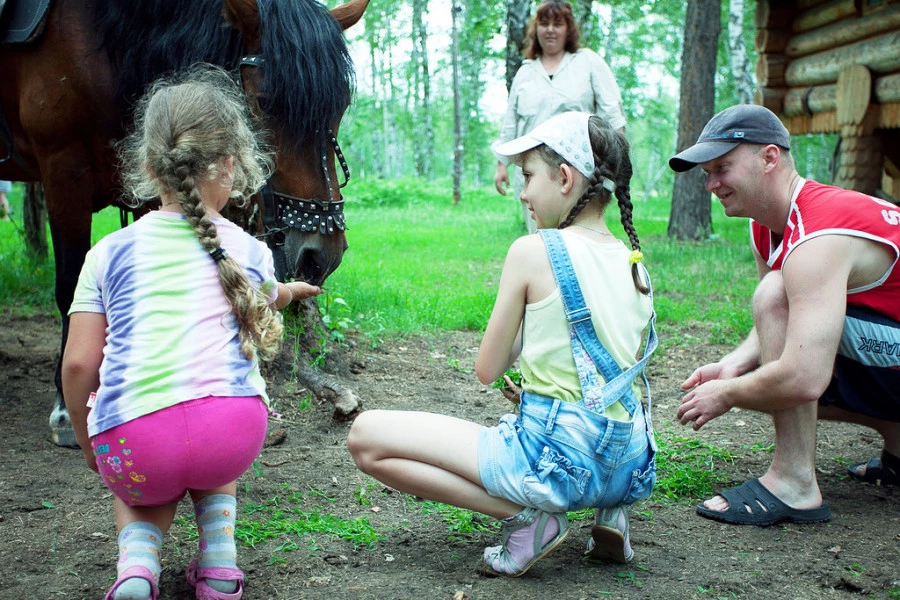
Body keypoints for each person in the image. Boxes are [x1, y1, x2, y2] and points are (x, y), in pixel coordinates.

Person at [349, 112, 657, 576]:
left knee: (365, 439)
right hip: (629, 465)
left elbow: (488, 369)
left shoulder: (533, 250)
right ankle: (612, 515)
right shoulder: (635, 262)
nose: (523, 192)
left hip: (556, 462)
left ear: (566, 178)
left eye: (529, 175)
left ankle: (530, 519)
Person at [61, 66, 322, 600]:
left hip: (135, 446)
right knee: (205, 416)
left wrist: (91, 441)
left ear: (148, 164)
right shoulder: (247, 252)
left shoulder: (107, 253)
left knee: (149, 444)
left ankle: (137, 569)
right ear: (232, 164)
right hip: (233, 435)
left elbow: (78, 365)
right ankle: (221, 565)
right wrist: (292, 291)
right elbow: (270, 293)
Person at [668, 104, 900, 527]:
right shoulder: (768, 223)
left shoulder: (818, 234)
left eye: (722, 167)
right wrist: (734, 364)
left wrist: (729, 393)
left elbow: (803, 376)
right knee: (776, 324)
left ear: (769, 158)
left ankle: (794, 483)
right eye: (707, 173)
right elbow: (780, 326)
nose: (711, 184)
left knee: (779, 312)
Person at [493, 0, 626, 235]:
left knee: (578, 237)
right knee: (541, 237)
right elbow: (511, 122)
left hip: (579, 171)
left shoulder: (588, 62)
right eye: (544, 23)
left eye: (558, 23)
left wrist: (615, 165)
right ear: (536, 30)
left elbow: (613, 115)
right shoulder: (525, 72)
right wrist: (501, 163)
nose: (551, 30)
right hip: (535, 173)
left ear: (569, 28)